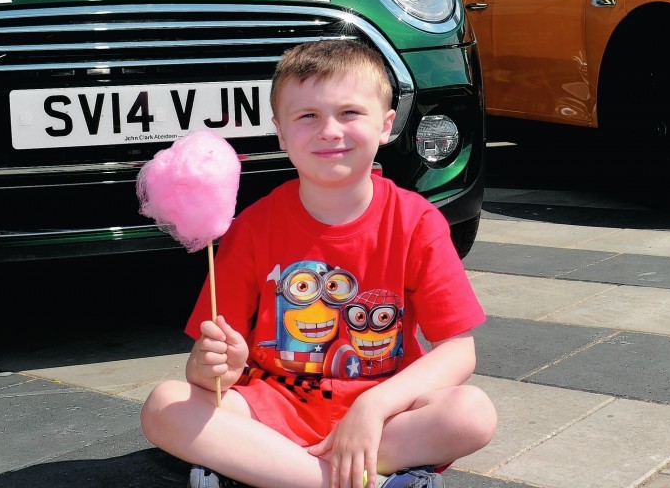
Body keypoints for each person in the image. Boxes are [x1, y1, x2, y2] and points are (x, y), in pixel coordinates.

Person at [141, 39, 497, 488]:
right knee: (165, 405)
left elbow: (458, 349)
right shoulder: (251, 228)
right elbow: (208, 367)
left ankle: (277, 474)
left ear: (387, 124)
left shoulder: (417, 222)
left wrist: (374, 406)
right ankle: (345, 480)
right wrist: (212, 366)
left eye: (349, 113)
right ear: (281, 133)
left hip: (382, 416)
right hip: (272, 408)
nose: (330, 131)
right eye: (308, 116)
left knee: (472, 412)